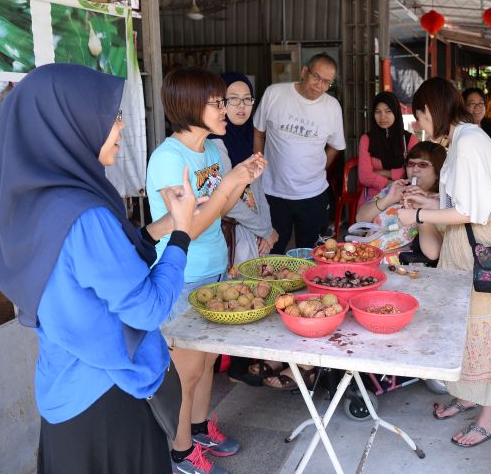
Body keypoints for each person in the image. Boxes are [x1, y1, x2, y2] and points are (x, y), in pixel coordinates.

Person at [0, 64, 198, 473]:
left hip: (63, 394)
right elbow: (148, 309)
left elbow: (97, 271)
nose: (120, 128)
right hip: (110, 397)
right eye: (110, 116)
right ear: (69, 123)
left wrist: (164, 225)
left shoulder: (34, 204)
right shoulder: (84, 214)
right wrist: (183, 235)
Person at [147, 67, 264, 474]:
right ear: (189, 106)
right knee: (186, 373)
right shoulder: (168, 159)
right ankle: (180, 452)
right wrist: (228, 182)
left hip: (216, 266)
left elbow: (221, 210)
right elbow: (188, 229)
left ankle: (198, 428)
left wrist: (239, 180)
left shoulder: (214, 150)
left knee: (207, 362)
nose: (225, 108)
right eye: (217, 102)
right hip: (182, 274)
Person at [397, 77, 491, 448]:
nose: (419, 124)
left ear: (432, 109)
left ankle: (488, 419)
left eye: (419, 114)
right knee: (465, 329)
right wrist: (429, 203)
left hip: (479, 247)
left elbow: (471, 211)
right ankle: (467, 395)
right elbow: (470, 202)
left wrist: (418, 219)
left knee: (486, 333)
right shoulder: (465, 138)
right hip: (466, 244)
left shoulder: (466, 143)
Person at [253, 52, 346, 252]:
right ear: (304, 71)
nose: (319, 85)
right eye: (316, 77)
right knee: (271, 252)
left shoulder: (332, 107)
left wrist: (318, 167)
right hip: (273, 192)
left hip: (313, 194)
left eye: (326, 82)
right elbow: (258, 133)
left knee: (312, 254)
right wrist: (258, 170)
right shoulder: (275, 93)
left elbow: (336, 146)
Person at [209, 72, 278, 264]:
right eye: (234, 99)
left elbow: (257, 188)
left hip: (255, 233)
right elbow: (226, 201)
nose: (242, 105)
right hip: (233, 235)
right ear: (220, 102)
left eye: (247, 99)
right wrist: (265, 230)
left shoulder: (249, 137)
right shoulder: (214, 143)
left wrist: (267, 229)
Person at [357, 141, 447, 265]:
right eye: (411, 164)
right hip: (365, 255)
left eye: (422, 164)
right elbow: (360, 218)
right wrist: (388, 199)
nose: (415, 169)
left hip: (397, 267)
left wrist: (419, 211)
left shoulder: (440, 202)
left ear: (437, 172)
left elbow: (433, 253)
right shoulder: (395, 189)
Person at [357, 91, 419, 204]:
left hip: (403, 199)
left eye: (388, 111)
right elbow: (364, 176)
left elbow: (414, 173)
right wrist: (391, 184)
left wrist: (381, 173)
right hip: (373, 199)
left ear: (396, 112)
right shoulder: (366, 139)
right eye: (377, 112)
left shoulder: (410, 140)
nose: (382, 117)